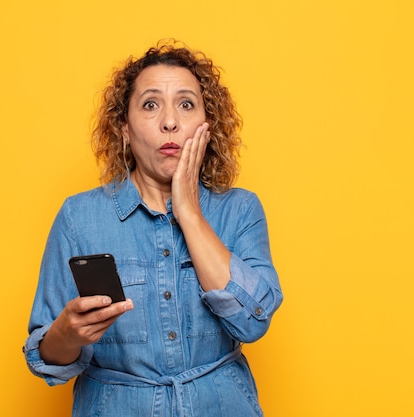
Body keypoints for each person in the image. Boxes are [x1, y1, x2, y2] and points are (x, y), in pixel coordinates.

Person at [23, 40, 283, 417]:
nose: (170, 121)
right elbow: (45, 359)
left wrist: (189, 211)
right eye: (150, 104)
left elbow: (252, 322)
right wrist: (67, 333)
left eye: (186, 104)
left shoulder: (240, 209)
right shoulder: (78, 217)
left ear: (207, 126)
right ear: (125, 130)